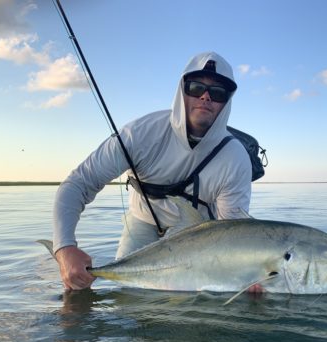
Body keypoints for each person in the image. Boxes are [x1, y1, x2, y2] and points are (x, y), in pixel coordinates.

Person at [53, 51, 252, 291]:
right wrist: (64, 247)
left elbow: (232, 232)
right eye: (196, 87)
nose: (206, 97)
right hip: (143, 223)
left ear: (227, 101)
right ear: (182, 90)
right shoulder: (141, 134)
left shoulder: (235, 158)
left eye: (218, 93)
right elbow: (78, 184)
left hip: (200, 237)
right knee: (127, 298)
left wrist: (249, 274)